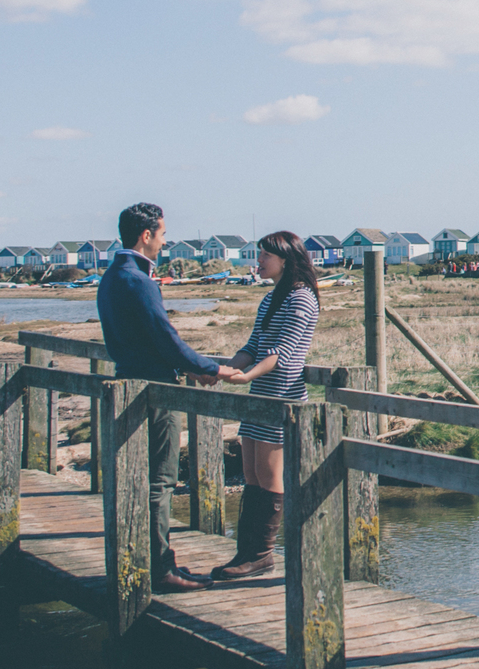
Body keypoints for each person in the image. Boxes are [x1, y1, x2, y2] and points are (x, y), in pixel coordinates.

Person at [96, 202, 225, 593]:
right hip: (154, 388)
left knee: (139, 479)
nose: (166, 242)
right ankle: (159, 568)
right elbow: (165, 337)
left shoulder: (112, 277)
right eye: (164, 235)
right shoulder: (138, 280)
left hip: (127, 383)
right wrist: (210, 367)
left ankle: (148, 560)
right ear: (146, 235)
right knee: (161, 479)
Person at [209, 230, 321, 582]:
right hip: (260, 394)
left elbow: (282, 354)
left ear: (285, 260)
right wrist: (227, 369)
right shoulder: (273, 298)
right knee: (253, 476)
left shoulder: (302, 299)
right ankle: (247, 552)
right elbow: (254, 345)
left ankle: (261, 555)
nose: (257, 262)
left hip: (282, 396)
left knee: (271, 477)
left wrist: (246, 377)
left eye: (263, 257)